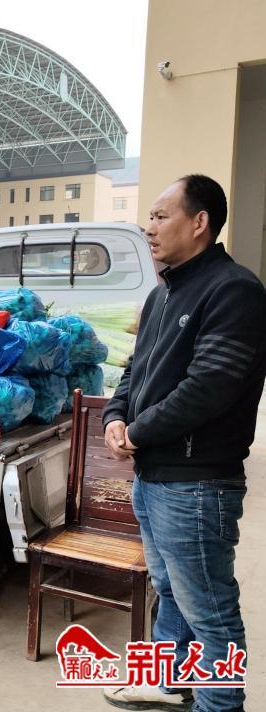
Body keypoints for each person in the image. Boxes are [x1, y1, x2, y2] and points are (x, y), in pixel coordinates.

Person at [102, 175, 266, 712]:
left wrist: (138, 431)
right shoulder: (162, 293)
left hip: (198, 484)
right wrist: (115, 417)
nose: (148, 227)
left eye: (160, 216)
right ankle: (169, 683)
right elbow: (134, 371)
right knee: (170, 590)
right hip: (154, 477)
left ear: (199, 222)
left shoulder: (233, 290)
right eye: (149, 217)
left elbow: (209, 386)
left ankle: (220, 704)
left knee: (210, 611)